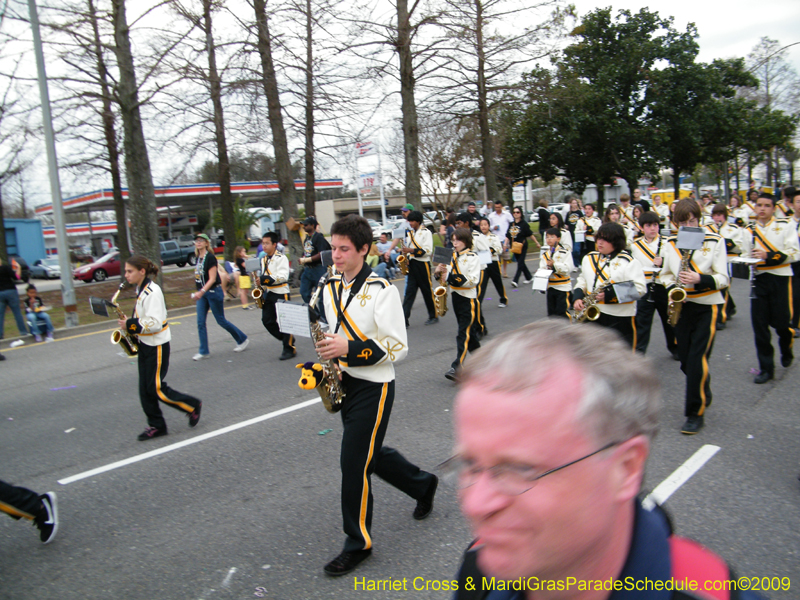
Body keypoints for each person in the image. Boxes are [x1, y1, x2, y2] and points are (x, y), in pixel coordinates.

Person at [450, 320, 765, 600]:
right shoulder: (480, 570)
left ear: (625, 468)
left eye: (521, 469)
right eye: (470, 465)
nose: (476, 504)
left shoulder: (704, 589)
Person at [314, 214, 437, 576]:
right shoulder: (329, 286)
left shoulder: (382, 290)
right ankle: (423, 484)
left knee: (353, 462)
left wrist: (348, 349)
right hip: (345, 381)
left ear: (364, 250)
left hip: (375, 386)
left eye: (344, 249)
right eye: (333, 248)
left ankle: (358, 544)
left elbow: (397, 347)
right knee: (369, 453)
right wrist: (328, 361)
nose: (335, 255)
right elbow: (328, 329)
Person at [660, 199, 728, 434]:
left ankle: (694, 414)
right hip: (682, 306)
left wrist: (700, 279)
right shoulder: (670, 243)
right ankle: (703, 385)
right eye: (683, 223)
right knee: (687, 362)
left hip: (707, 306)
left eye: (693, 221)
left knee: (697, 359)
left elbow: (723, 278)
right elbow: (665, 275)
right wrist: (672, 289)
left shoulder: (715, 241)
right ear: (676, 224)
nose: (688, 226)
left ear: (699, 219)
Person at [118, 255, 203, 440]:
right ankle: (157, 425)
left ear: (142, 271)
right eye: (125, 271)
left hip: (156, 345)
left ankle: (191, 406)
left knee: (155, 388)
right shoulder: (141, 289)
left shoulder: (152, 292)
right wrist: (131, 324)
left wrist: (130, 324)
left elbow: (155, 323)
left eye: (130, 271)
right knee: (144, 389)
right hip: (145, 343)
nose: (126, 275)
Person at [742, 192, 799, 384]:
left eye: (767, 205)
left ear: (774, 208)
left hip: (780, 278)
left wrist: (767, 255)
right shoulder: (748, 230)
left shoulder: (785, 225)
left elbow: (794, 253)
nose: (762, 209)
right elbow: (744, 254)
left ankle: (787, 343)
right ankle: (766, 368)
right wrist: (746, 261)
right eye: (759, 205)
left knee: (782, 323)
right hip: (759, 280)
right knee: (760, 326)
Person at [573, 223, 647, 350]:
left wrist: (609, 295)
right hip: (593, 314)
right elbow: (583, 279)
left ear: (616, 241)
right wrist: (578, 297)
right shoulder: (589, 258)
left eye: (605, 239)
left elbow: (640, 289)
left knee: (619, 355)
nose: (600, 242)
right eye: (599, 238)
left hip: (619, 317)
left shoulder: (629, 262)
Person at [191, 233, 249, 360]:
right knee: (200, 322)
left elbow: (212, 278)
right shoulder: (197, 258)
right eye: (196, 240)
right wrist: (200, 292)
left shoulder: (210, 257)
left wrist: (201, 291)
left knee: (221, 320)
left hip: (212, 291)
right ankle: (204, 351)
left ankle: (242, 339)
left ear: (206, 243)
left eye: (201, 240)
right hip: (202, 293)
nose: (198, 242)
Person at [435, 228, 481, 380]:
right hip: (456, 297)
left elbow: (472, 280)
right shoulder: (451, 256)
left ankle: (457, 367)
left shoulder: (473, 257)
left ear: (466, 241)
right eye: (453, 240)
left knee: (463, 333)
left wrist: (450, 277)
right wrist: (438, 272)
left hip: (468, 299)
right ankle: (485, 362)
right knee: (470, 335)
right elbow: (443, 279)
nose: (454, 243)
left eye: (458, 240)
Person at [631, 211, 677, 358]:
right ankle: (639, 353)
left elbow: (675, 263)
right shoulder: (635, 245)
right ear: (641, 227)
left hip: (662, 286)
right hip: (645, 287)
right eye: (648, 225)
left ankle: (675, 348)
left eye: (655, 225)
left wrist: (664, 262)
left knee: (669, 320)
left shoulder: (667, 242)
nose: (652, 228)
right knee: (642, 322)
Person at [258, 232, 296, 361]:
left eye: (267, 243)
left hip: (281, 292)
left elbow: (283, 276)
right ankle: (286, 338)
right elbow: (264, 277)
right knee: (267, 320)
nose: (264, 246)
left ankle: (289, 348)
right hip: (270, 292)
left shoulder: (281, 258)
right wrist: (260, 288)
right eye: (263, 243)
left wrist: (264, 279)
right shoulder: (263, 259)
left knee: (285, 322)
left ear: (274, 244)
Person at [704, 204, 743, 329]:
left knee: (723, 288)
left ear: (725, 216)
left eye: (720, 215)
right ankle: (730, 307)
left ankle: (721, 318)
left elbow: (739, 247)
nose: (717, 218)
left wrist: (722, 240)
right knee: (716, 288)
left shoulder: (734, 229)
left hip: (728, 261)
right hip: (711, 262)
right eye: (715, 215)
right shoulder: (706, 228)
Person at [401, 211, 439, 327]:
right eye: (409, 221)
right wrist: (407, 257)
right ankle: (404, 319)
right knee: (409, 293)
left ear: (418, 221)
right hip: (412, 265)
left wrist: (410, 251)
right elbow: (409, 249)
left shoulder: (426, 232)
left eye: (412, 221)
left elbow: (427, 251)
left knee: (427, 291)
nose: (410, 223)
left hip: (423, 265)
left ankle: (433, 315)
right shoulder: (411, 233)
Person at [458, 213, 490, 336]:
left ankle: (480, 328)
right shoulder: (459, 238)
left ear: (467, 223)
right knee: (470, 301)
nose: (457, 225)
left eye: (459, 223)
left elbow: (486, 253)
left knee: (476, 301)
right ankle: (476, 326)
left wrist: (473, 259)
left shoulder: (477, 236)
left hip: (479, 272)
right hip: (466, 273)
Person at [538, 227, 574, 318]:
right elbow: (542, 268)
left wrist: (554, 265)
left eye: (552, 237)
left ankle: (566, 326)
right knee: (551, 313)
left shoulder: (564, 252)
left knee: (562, 312)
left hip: (562, 287)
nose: (549, 239)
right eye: (547, 237)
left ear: (558, 239)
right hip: (550, 287)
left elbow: (568, 268)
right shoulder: (545, 255)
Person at [299, 217, 332, 305]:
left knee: (322, 296)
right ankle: (314, 311)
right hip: (308, 269)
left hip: (318, 268)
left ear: (312, 225)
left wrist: (307, 259)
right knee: (304, 292)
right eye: (304, 225)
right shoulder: (307, 239)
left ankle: (323, 313)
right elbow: (308, 251)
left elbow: (322, 253)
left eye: (306, 225)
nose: (304, 227)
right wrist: (303, 258)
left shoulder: (319, 237)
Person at [478, 217, 508, 308]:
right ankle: (478, 303)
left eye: (485, 225)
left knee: (497, 281)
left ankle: (503, 299)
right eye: (481, 225)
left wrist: (490, 250)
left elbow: (499, 249)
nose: (483, 227)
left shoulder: (494, 237)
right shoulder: (478, 237)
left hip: (493, 262)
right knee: (482, 283)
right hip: (483, 263)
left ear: (489, 226)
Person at [505, 207, 537, 288]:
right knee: (521, 263)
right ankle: (529, 277)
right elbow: (508, 235)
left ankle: (515, 280)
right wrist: (505, 244)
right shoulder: (511, 224)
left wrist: (536, 243)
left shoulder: (524, 224)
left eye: (517, 212)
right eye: (514, 212)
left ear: (521, 213)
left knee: (520, 263)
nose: (516, 214)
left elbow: (530, 234)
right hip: (514, 246)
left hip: (522, 246)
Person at [0, 257, 29, 346]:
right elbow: (17, 277)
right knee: (17, 313)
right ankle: (23, 332)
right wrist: (18, 268)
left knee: (0, 315)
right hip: (11, 291)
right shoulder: (5, 268)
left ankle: (0, 335)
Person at [488, 204, 513, 277]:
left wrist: (509, 234)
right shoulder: (491, 216)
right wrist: (493, 227)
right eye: (496, 207)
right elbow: (488, 226)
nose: (497, 208)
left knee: (505, 257)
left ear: (501, 207)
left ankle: (504, 271)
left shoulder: (507, 214)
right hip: (495, 239)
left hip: (505, 238)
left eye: (499, 207)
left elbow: (512, 223)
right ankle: (498, 271)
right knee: (496, 256)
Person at [564, 197, 583, 264]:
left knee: (576, 250)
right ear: (571, 204)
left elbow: (582, 221)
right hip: (571, 233)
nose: (574, 204)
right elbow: (566, 223)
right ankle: (575, 263)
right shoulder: (569, 213)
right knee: (571, 250)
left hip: (577, 233)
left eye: (575, 203)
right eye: (573, 203)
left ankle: (578, 262)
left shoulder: (579, 212)